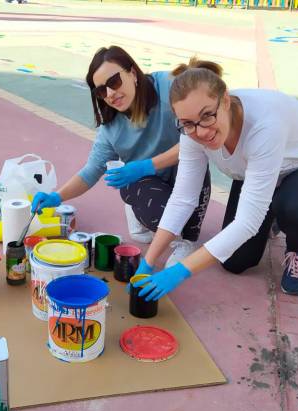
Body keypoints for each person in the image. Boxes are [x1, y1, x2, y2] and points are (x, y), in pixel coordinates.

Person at [134, 58, 298, 298]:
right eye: (188, 123)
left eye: (208, 115)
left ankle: (297, 248)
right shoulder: (191, 131)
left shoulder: (265, 125)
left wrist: (179, 272)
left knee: (296, 210)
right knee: (235, 261)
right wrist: (149, 262)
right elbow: (183, 197)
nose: (201, 131)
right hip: (261, 171)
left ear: (225, 100)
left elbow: (247, 222)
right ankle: (273, 210)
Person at [32, 46, 210, 265]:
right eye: (101, 91)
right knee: (160, 210)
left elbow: (197, 137)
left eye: (114, 81)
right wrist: (56, 197)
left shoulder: (169, 87)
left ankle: (184, 238)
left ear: (133, 73)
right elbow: (91, 172)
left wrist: (146, 165)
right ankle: (162, 228)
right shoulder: (110, 129)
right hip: (148, 183)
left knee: (192, 226)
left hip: (186, 170)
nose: (110, 94)